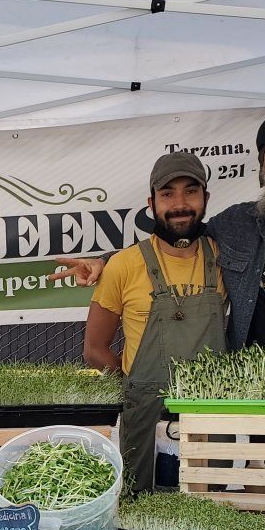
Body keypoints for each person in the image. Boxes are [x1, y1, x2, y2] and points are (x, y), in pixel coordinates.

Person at [54, 106, 265, 352]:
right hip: (254, 395)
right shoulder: (236, 224)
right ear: (262, 169)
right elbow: (178, 237)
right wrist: (105, 261)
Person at [84, 151, 228, 491]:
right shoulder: (122, 266)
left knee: (210, 507)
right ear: (151, 203)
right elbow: (94, 349)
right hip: (146, 419)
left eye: (190, 191)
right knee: (142, 514)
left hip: (211, 414)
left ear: (205, 198)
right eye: (167, 194)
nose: (180, 203)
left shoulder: (226, 256)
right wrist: (137, 384)